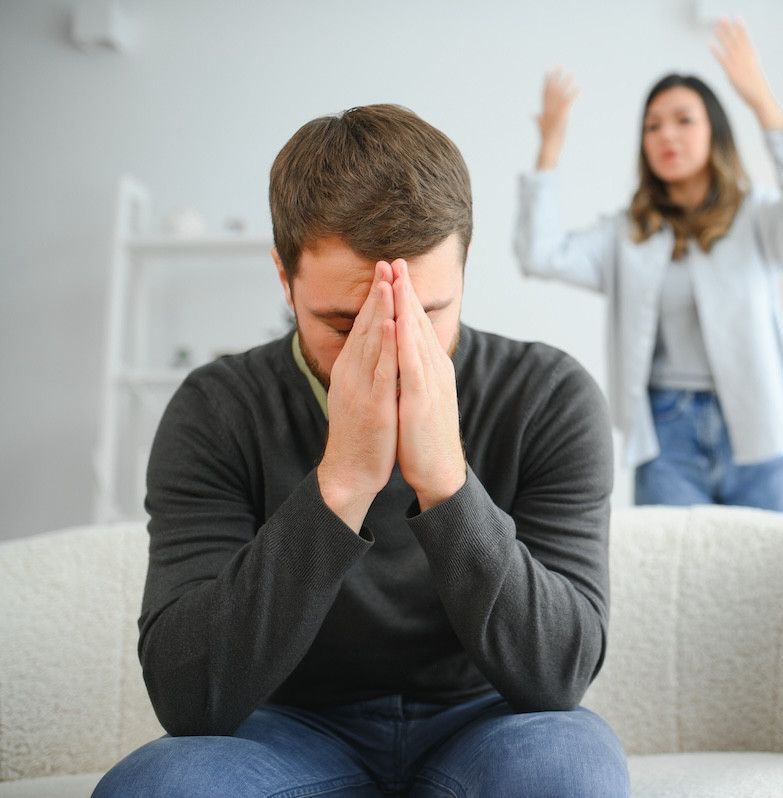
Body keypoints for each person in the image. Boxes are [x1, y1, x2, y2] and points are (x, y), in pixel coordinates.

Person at [93, 104, 629, 797]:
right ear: (284, 278)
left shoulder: (548, 396)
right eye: (345, 323)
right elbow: (188, 697)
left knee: (569, 774)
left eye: (427, 313)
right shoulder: (217, 409)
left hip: (489, 720)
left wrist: (446, 481)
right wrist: (341, 483)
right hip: (287, 730)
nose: (389, 344)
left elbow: (559, 677)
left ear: (464, 268)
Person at [514, 18, 783, 513]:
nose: (667, 134)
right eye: (653, 125)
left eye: (684, 120)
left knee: (777, 558)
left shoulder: (756, 217)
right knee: (676, 563)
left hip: (759, 421)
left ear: (714, 131)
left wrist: (760, 100)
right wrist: (550, 148)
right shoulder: (628, 233)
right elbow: (540, 254)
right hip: (668, 433)